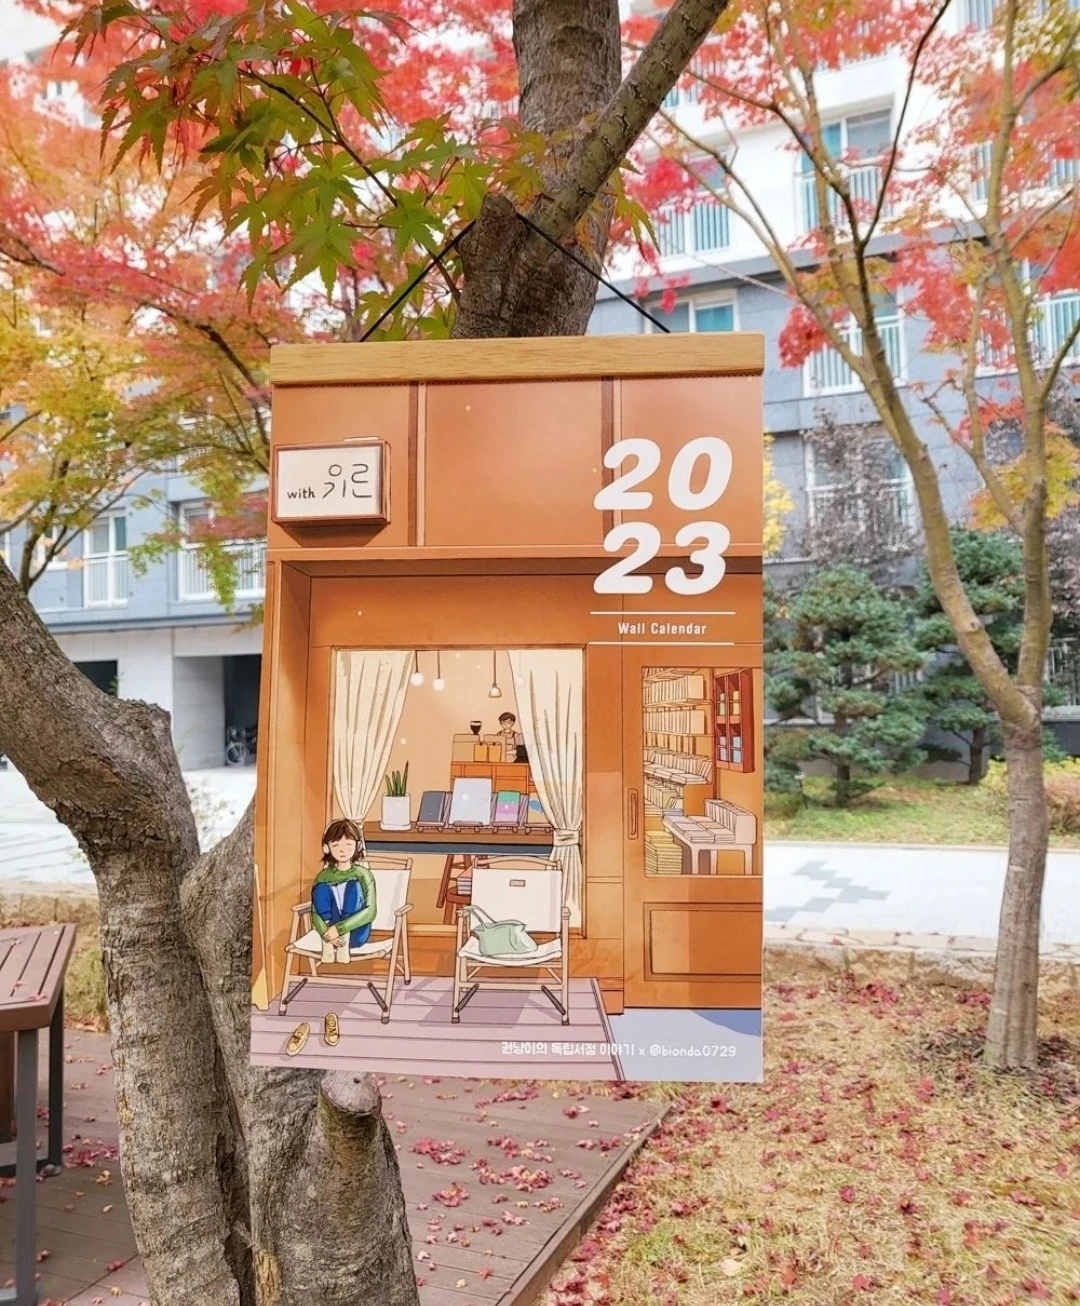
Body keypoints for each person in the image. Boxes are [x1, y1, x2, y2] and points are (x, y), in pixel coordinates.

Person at [311, 818, 377, 956]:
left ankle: (342, 942)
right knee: (321, 888)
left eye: (348, 844)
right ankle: (330, 944)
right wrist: (326, 933)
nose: (342, 850)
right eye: (336, 845)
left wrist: (340, 929)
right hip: (329, 931)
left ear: (358, 846)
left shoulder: (363, 874)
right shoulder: (323, 876)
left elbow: (370, 911)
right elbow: (315, 913)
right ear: (326, 848)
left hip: (355, 931)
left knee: (354, 886)